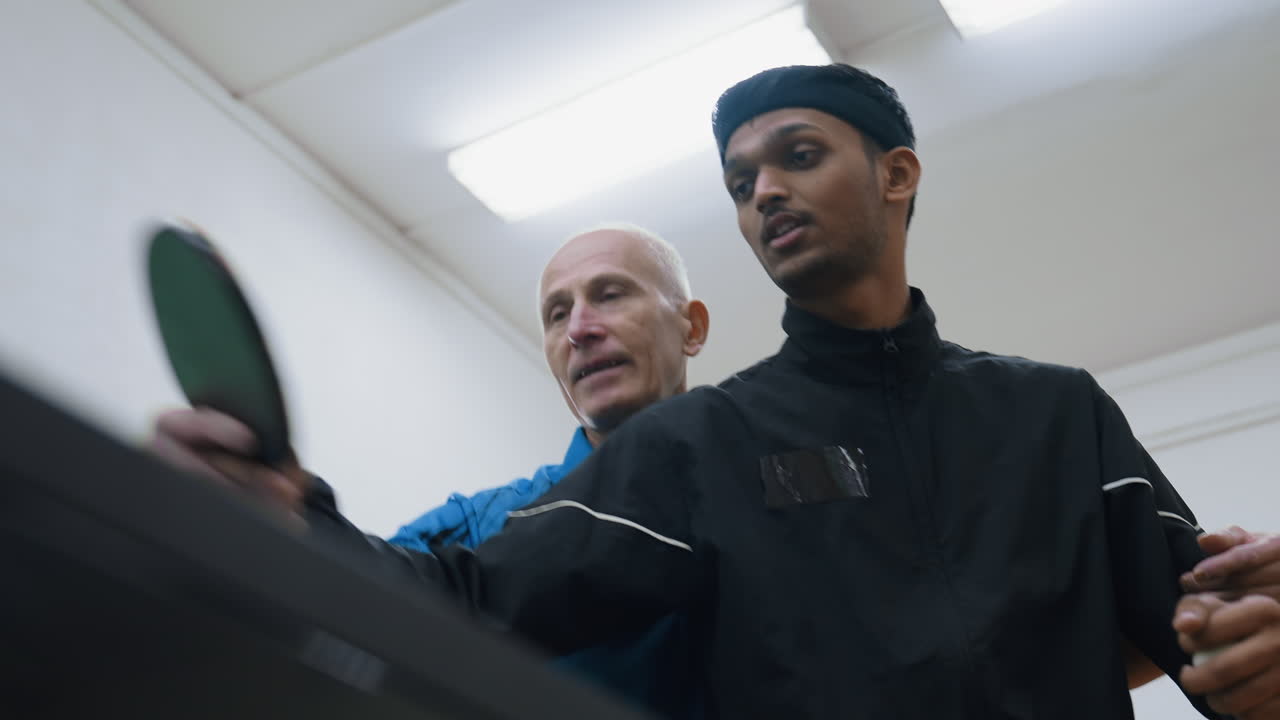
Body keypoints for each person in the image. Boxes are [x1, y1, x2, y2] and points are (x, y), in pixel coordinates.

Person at [283, 64, 1280, 718]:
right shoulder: (701, 444)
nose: (762, 193)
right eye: (739, 181)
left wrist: (1250, 649)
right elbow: (469, 592)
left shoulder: (1057, 416)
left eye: (797, 157)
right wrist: (294, 515)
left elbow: (1208, 638)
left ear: (894, 175)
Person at [150, 223, 710, 716]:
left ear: (691, 328)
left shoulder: (762, 502)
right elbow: (351, 613)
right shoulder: (477, 525)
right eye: (557, 313)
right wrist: (284, 522)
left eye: (610, 295)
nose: (579, 329)